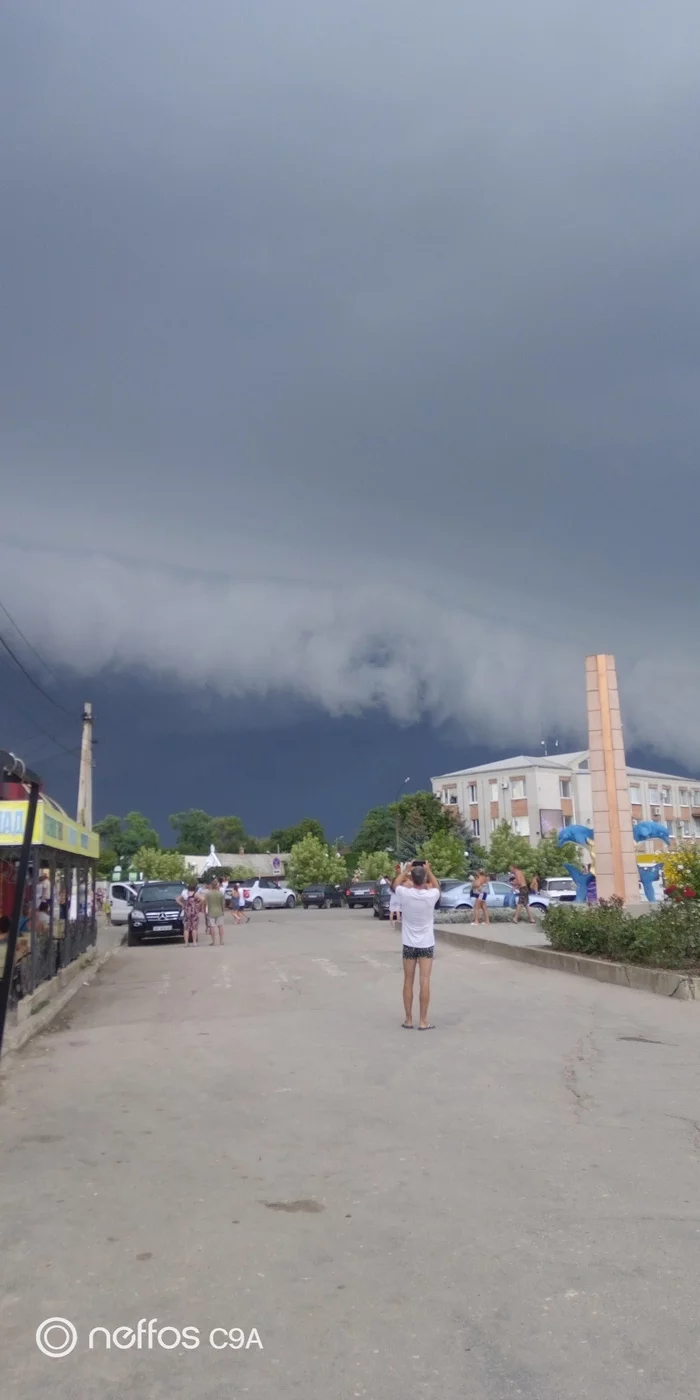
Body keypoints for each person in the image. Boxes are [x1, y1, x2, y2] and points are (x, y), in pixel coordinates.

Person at [393, 860, 440, 1030]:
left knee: (408, 980)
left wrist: (406, 870)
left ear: (412, 878)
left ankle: (408, 1019)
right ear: (425, 878)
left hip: (409, 944)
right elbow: (436, 887)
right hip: (426, 944)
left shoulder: (405, 894)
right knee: (425, 980)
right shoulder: (431, 895)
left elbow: (396, 884)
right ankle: (423, 1020)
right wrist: (429, 870)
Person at [204, 878, 226, 945]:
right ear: (217, 886)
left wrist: (205, 911)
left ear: (211, 885)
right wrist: (223, 911)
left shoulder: (208, 894)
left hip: (211, 912)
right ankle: (221, 941)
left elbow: (206, 903)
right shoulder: (220, 893)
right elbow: (223, 904)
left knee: (212, 927)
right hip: (219, 911)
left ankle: (213, 942)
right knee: (220, 926)